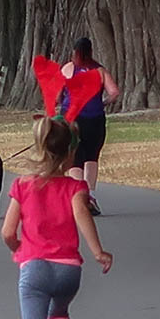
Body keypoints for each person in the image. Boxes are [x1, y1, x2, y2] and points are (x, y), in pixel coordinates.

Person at [0, 115, 113, 319]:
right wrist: (98, 252)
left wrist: (19, 248)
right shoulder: (75, 187)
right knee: (59, 314)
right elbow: (82, 216)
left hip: (34, 268)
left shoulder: (22, 185)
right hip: (68, 270)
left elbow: (7, 232)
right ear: (70, 154)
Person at [60, 37, 120, 215]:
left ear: (75, 53)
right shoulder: (100, 71)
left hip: (72, 118)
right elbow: (114, 92)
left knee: (75, 157)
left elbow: (57, 92)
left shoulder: (68, 69)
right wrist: (103, 103)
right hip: (95, 119)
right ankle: (90, 195)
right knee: (92, 156)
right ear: (91, 52)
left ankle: (79, 194)